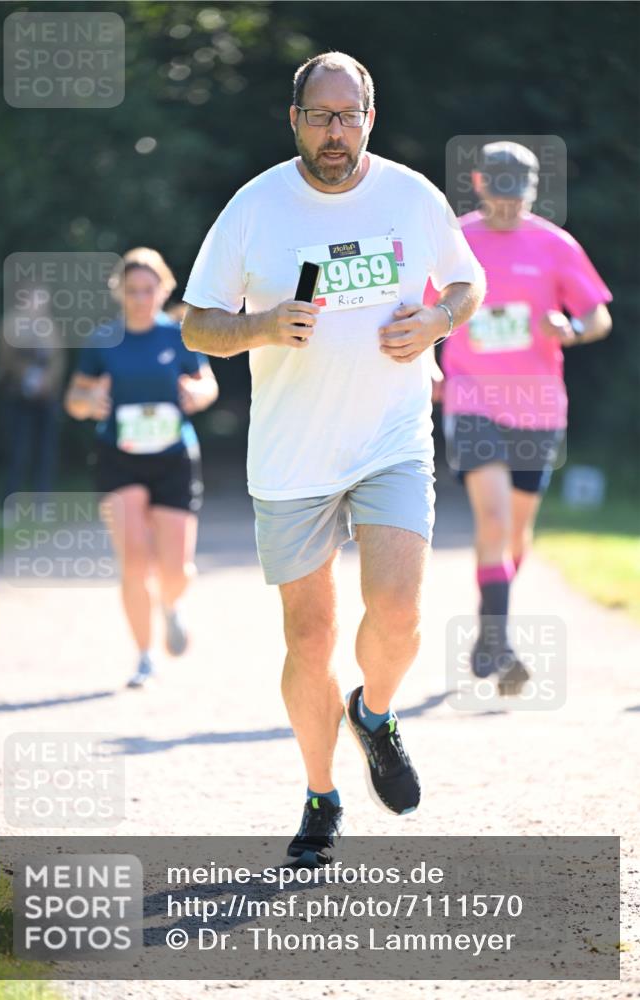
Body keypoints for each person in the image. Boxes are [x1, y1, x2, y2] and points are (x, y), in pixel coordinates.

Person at [181, 52, 485, 865]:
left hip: (389, 438)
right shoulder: (255, 207)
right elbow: (196, 323)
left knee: (397, 611)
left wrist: (434, 326)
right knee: (309, 638)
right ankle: (321, 795)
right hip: (292, 456)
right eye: (319, 115)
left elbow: (466, 284)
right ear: (293, 120)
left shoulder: (411, 196)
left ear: (369, 120)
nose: (334, 131)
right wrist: (258, 326)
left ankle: (376, 714)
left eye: (347, 116)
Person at [430, 142, 612, 693]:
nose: (507, 206)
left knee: (516, 534)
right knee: (493, 520)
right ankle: (499, 640)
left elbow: (597, 315)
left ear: (530, 191)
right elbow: (414, 310)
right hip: (472, 398)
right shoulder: (453, 241)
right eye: (498, 193)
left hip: (537, 405)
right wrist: (426, 364)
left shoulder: (554, 245)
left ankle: (489, 626)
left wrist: (571, 329)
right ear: (481, 183)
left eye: (518, 196)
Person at [65, 248, 218, 688]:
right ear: (121, 293)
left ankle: (171, 605)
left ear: (163, 289)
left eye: (148, 290)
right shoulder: (103, 341)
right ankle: (144, 655)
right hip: (120, 457)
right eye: (131, 291)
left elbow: (207, 382)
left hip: (173, 458)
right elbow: (74, 399)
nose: (140, 298)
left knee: (176, 570)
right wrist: (88, 402)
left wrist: (198, 394)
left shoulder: (179, 336)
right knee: (134, 562)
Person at [0, 284, 65, 500]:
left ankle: (41, 501)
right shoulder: (10, 324)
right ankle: (10, 500)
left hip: (47, 398)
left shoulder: (50, 326)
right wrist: (28, 377)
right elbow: (6, 358)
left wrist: (47, 381)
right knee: (18, 452)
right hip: (17, 395)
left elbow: (58, 359)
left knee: (45, 452)